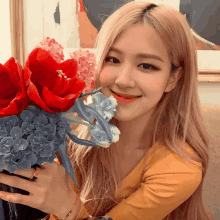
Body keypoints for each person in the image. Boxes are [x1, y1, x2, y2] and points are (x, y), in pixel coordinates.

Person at [0, 1, 210, 220]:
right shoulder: (70, 127)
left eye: (147, 65)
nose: (123, 80)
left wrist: (66, 207)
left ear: (173, 79)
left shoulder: (180, 167)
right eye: (113, 59)